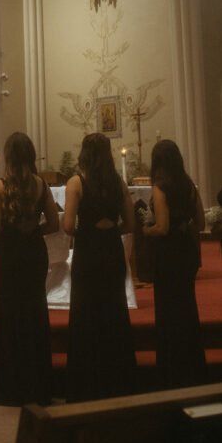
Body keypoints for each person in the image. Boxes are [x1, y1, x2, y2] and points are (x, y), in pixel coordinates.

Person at [0, 132, 59, 406]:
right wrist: (32, 232)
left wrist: (14, 231)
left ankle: (8, 387)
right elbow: (53, 224)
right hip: (32, 253)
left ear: (8, 156)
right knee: (34, 313)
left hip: (9, 254)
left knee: (7, 314)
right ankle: (36, 385)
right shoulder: (41, 185)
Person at [64, 133, 137, 402]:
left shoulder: (76, 183)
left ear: (84, 154)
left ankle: (87, 383)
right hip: (111, 251)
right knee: (113, 310)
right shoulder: (118, 183)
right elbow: (130, 224)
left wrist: (89, 229)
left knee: (86, 313)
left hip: (88, 253)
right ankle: (116, 380)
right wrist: (111, 227)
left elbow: (69, 226)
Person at [143, 139, 207, 389]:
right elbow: (201, 223)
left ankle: (172, 371)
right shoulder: (190, 185)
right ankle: (193, 367)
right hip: (187, 254)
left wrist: (145, 231)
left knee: (169, 312)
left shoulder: (160, 187)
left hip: (168, 256)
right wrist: (185, 226)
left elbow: (162, 227)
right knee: (187, 308)